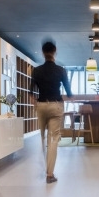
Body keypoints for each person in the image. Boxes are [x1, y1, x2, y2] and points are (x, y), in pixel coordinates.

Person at [29, 41, 72, 184]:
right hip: (55, 105)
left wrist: (34, 103)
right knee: (53, 139)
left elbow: (31, 92)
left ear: (43, 53)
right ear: (55, 52)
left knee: (42, 138)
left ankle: (44, 165)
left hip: (41, 105)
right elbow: (68, 91)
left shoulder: (37, 70)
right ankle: (50, 174)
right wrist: (70, 97)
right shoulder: (61, 70)